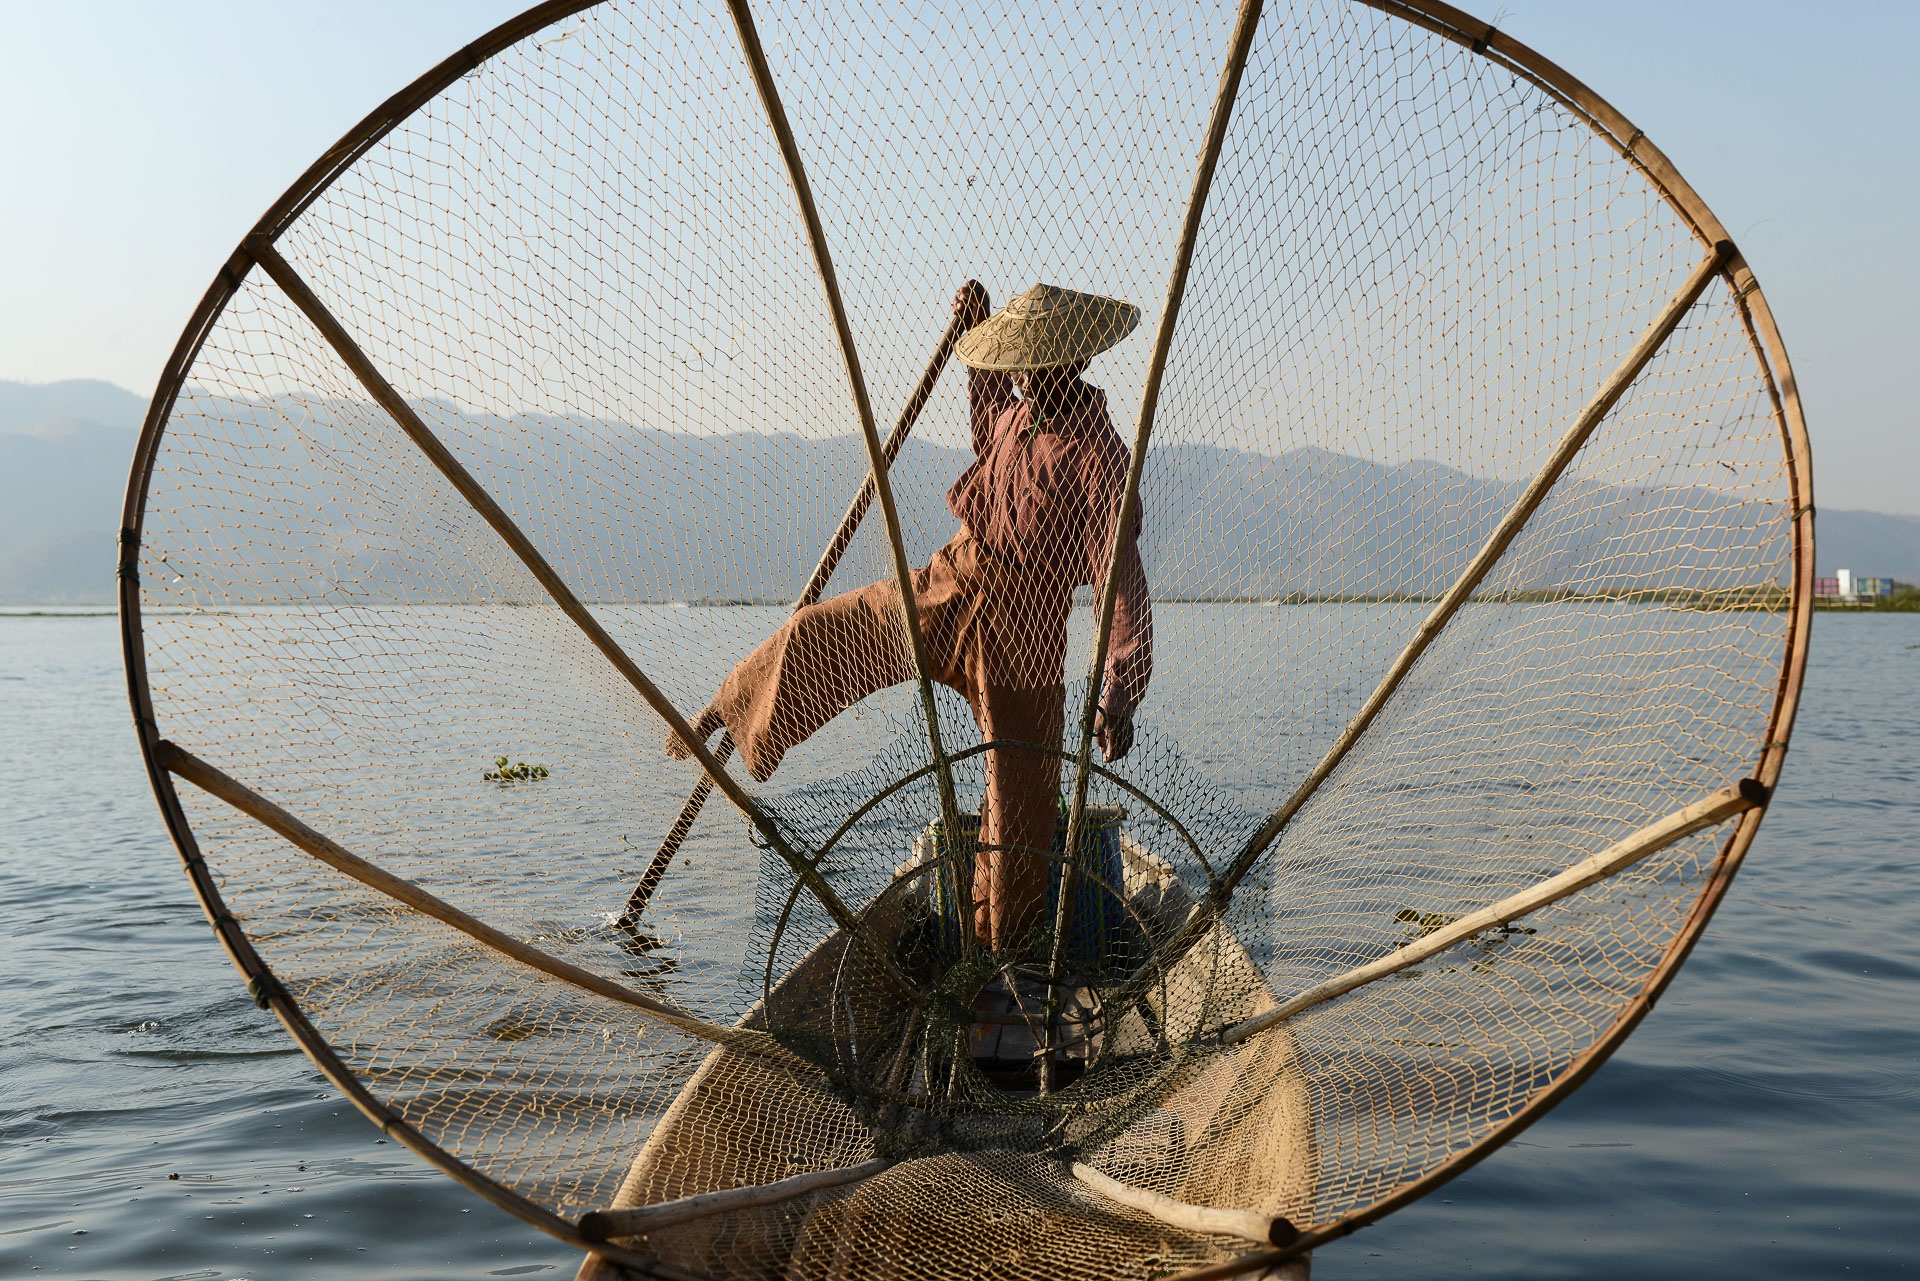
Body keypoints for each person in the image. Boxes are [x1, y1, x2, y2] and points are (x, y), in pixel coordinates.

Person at [669, 281, 1154, 961]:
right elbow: (988, 405)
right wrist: (974, 327)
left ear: (1072, 364)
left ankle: (1000, 965)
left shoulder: (1097, 451)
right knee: (829, 627)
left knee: (1019, 808)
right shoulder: (1017, 419)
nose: (1023, 375)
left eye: (1035, 365)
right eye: (1017, 364)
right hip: (951, 581)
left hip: (1027, 632)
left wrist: (1117, 687)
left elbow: (1117, 573)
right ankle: (728, 705)